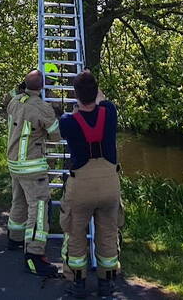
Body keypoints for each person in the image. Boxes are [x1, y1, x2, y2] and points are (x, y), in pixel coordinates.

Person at [59, 70, 122, 298]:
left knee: (75, 233)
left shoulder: (67, 122)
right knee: (107, 234)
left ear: (76, 95)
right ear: (96, 92)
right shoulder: (110, 112)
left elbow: (67, 126)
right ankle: (107, 283)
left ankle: (77, 284)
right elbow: (102, 101)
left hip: (82, 185)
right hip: (109, 183)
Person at [5, 69, 61, 277]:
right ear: (43, 86)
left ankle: (14, 238)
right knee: (38, 209)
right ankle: (35, 256)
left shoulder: (15, 101)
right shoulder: (43, 107)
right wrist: (57, 114)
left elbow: (8, 97)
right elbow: (55, 135)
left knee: (18, 201)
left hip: (14, 164)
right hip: (33, 167)